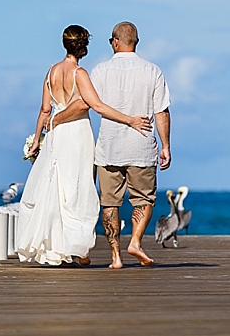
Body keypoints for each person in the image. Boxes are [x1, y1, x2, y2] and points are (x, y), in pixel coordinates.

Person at [16, 25, 152, 266]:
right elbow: (96, 106)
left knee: (57, 188)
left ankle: (62, 247)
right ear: (83, 46)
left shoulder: (51, 72)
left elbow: (45, 110)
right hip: (77, 135)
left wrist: (37, 139)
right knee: (78, 189)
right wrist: (130, 120)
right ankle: (78, 249)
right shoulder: (80, 74)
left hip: (56, 134)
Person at [55, 21, 171, 268]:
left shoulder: (100, 71)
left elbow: (85, 103)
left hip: (109, 148)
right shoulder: (153, 71)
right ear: (136, 42)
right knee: (143, 199)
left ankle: (116, 257)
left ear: (115, 42)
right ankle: (135, 242)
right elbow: (161, 111)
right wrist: (165, 146)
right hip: (141, 146)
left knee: (109, 203)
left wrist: (56, 119)